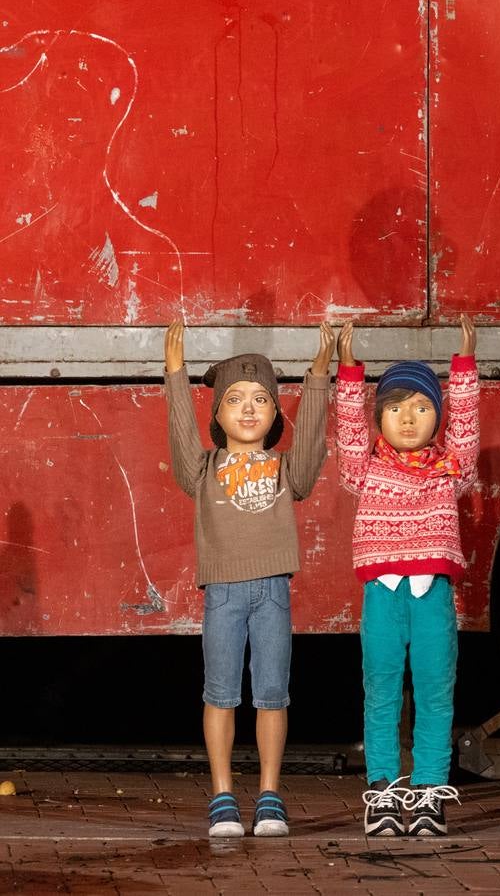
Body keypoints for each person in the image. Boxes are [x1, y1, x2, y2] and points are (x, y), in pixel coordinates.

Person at [163, 320, 334, 838]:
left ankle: (269, 795)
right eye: (234, 398)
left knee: (272, 695)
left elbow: (310, 455)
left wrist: (319, 377)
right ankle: (221, 795)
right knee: (220, 693)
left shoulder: (286, 470)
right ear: (217, 414)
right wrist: (175, 373)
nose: (248, 408)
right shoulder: (203, 468)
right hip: (223, 593)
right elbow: (180, 437)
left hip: (273, 593)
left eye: (261, 399)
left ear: (276, 415)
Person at [334, 317, 480, 837]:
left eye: (421, 407)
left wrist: (463, 364)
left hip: (431, 595)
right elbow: (349, 432)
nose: (409, 418)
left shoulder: (452, 465)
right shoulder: (365, 467)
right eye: (395, 408)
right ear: (380, 420)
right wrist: (349, 373)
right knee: (382, 691)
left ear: (436, 417)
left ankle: (428, 795)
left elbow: (466, 421)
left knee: (436, 692)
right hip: (384, 594)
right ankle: (382, 794)